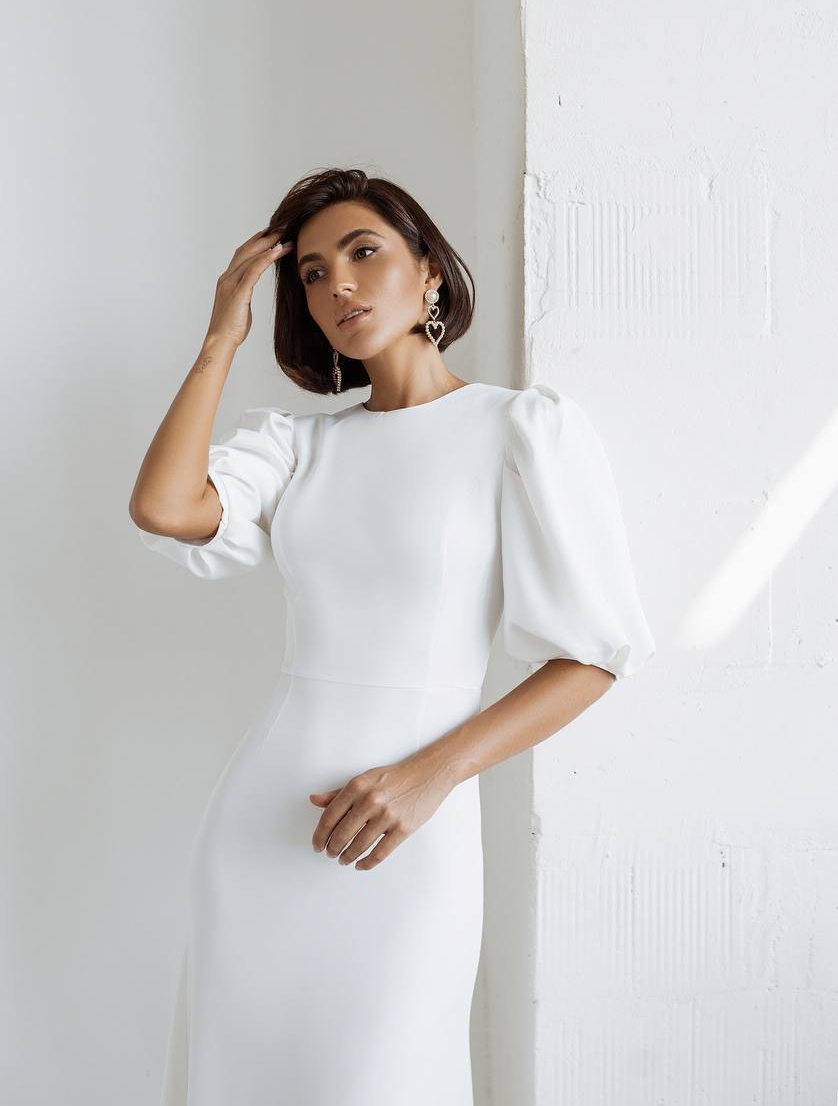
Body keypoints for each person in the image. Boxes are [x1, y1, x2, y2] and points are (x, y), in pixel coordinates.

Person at [129, 166, 656, 1106]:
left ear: (431, 277)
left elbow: (592, 656)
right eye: (313, 274)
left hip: (413, 840)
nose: (338, 286)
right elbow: (166, 508)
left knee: (387, 1076)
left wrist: (434, 773)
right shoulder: (300, 448)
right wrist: (220, 336)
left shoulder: (520, 430)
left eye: (364, 253)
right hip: (263, 829)